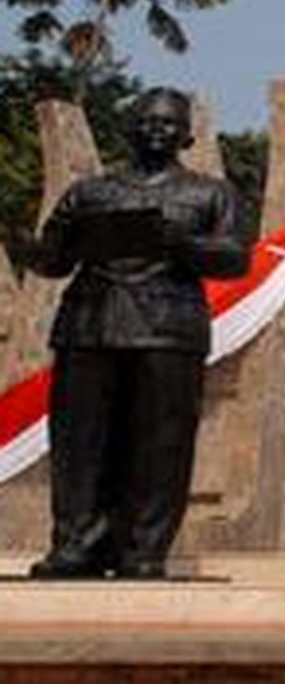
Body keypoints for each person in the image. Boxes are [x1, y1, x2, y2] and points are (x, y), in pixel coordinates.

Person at [14, 87, 249, 579]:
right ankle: (75, 544)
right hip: (91, 325)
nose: (156, 130)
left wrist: (181, 242)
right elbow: (56, 261)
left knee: (161, 444)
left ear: (186, 135)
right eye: (146, 121)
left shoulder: (210, 193)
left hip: (166, 329)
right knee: (81, 443)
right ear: (129, 128)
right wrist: (29, 249)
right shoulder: (90, 193)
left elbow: (234, 259)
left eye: (167, 124)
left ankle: (144, 549)